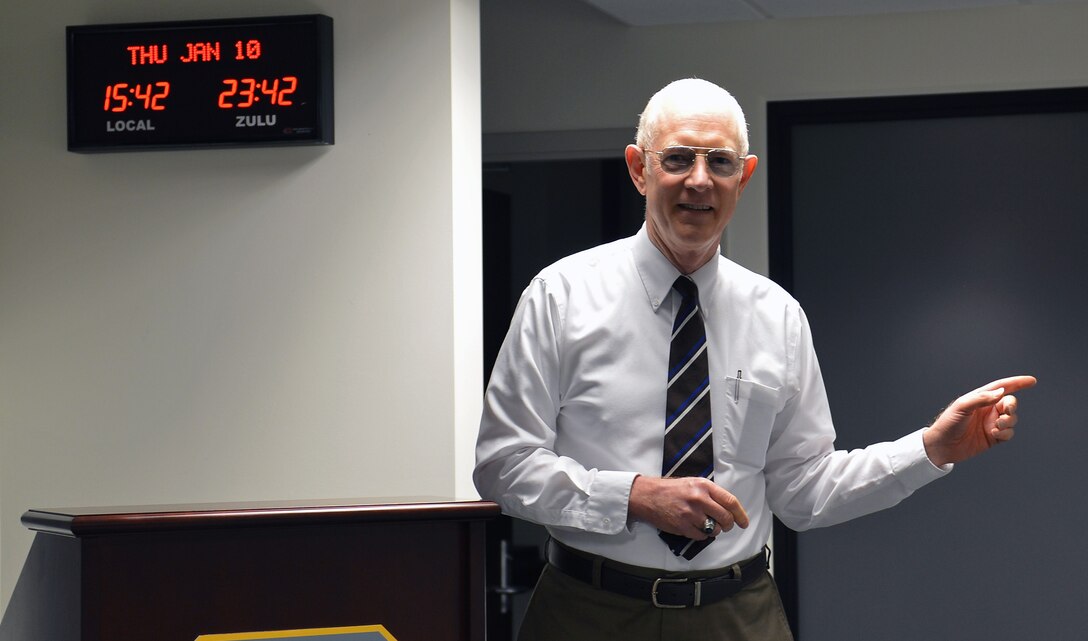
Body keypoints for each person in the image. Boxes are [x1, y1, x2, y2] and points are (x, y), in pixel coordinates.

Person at [473, 78, 1036, 641]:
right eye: (677, 159)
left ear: (742, 177)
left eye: (719, 161)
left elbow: (804, 490)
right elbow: (503, 463)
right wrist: (635, 497)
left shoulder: (777, 316)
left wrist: (932, 449)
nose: (699, 179)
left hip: (738, 614)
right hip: (588, 611)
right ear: (639, 169)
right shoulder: (560, 296)